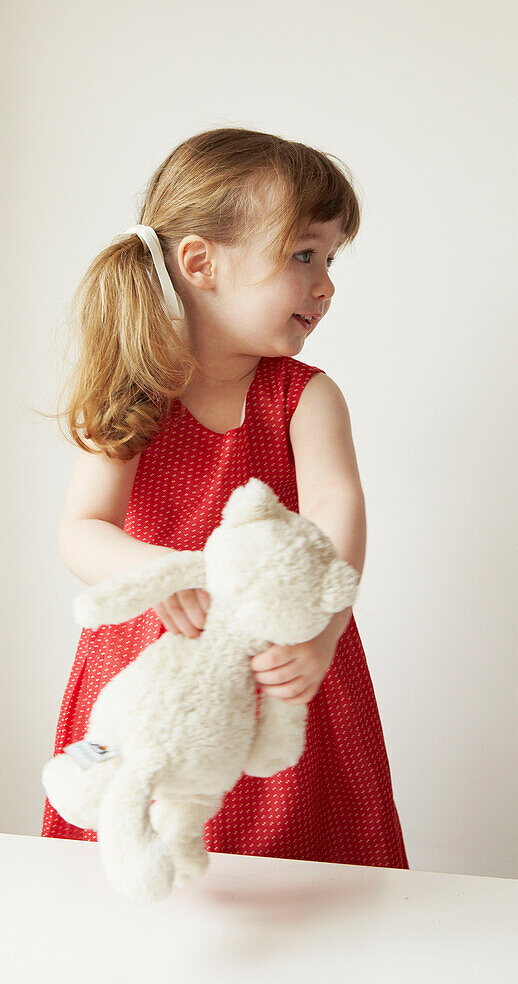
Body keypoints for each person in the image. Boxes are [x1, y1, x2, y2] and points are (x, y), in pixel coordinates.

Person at [40, 126, 409, 869]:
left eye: (330, 259)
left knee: (298, 883)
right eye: (303, 254)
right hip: (151, 677)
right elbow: (82, 531)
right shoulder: (136, 392)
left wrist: (324, 632)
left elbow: (335, 521)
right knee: (138, 857)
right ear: (201, 263)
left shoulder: (303, 397)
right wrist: (164, 570)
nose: (325, 284)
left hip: (281, 672)